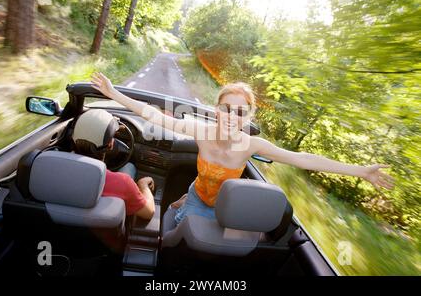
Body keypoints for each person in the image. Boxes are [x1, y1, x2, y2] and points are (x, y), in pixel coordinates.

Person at [90, 72, 395, 224]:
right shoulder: (200, 130)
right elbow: (152, 115)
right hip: (199, 194)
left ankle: (184, 202)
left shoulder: (253, 145)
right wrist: (115, 94)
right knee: (178, 213)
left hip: (225, 207)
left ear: (248, 117)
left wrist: (360, 170)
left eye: (240, 112)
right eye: (226, 108)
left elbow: (301, 159)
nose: (232, 117)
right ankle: (184, 200)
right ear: (216, 109)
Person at [72, 108, 155, 220]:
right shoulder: (123, 183)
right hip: (110, 235)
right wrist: (143, 185)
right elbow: (149, 212)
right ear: (111, 144)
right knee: (129, 166)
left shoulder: (56, 169)